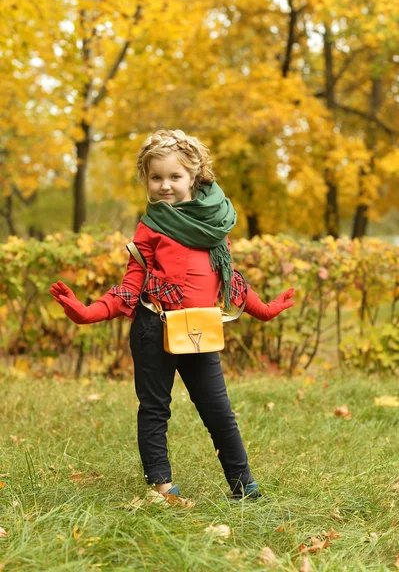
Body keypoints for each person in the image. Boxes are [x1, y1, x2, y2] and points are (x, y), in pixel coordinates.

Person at [50, 129, 295, 501]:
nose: (165, 185)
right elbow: (132, 284)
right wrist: (87, 312)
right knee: (154, 409)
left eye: (174, 177)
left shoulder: (215, 223)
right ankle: (161, 486)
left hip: (198, 331)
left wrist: (266, 309)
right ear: (146, 179)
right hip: (153, 329)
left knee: (219, 411)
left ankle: (244, 486)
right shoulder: (150, 226)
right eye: (156, 177)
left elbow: (226, 278)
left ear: (194, 176)